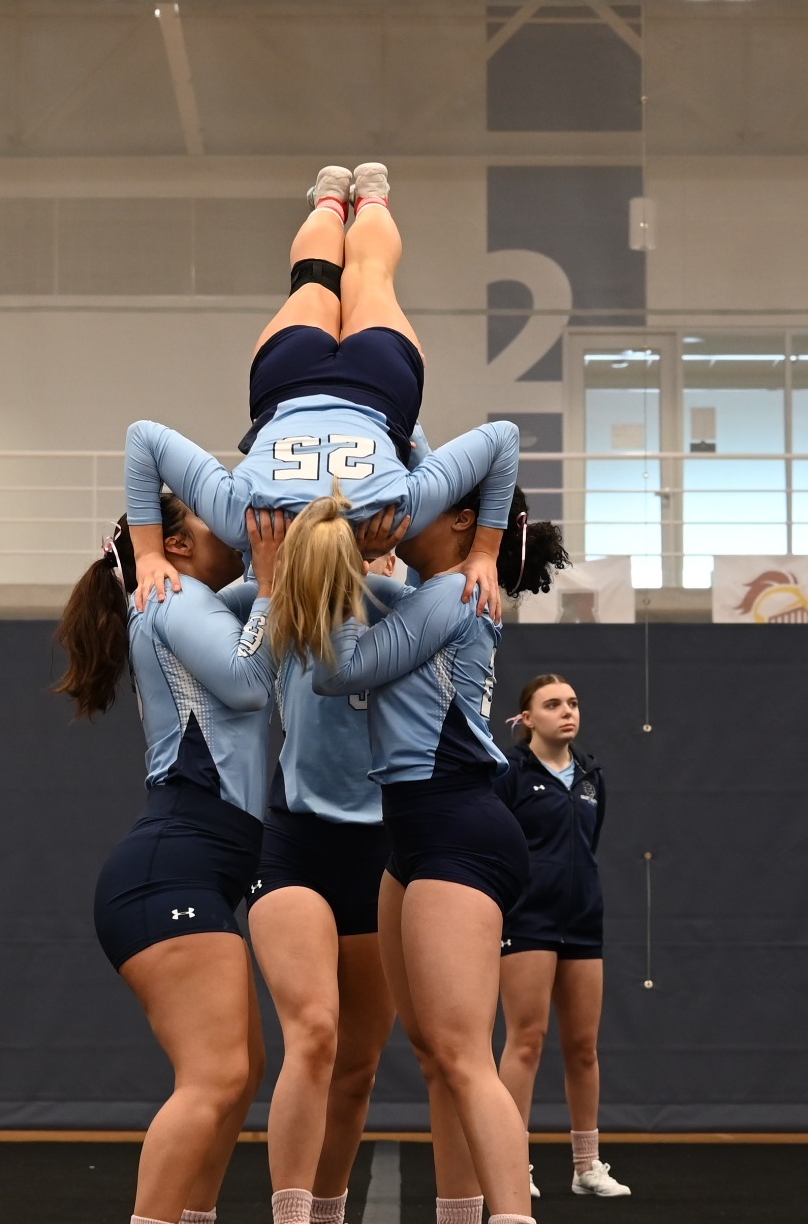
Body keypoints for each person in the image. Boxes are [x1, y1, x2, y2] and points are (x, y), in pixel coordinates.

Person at [306, 485, 568, 1224]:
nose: (403, 513)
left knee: (462, 1056)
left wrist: (343, 546)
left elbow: (339, 668)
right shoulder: (432, 588)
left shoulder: (454, 588)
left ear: (462, 521)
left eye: (421, 504)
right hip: (418, 834)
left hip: (457, 828)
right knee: (437, 1056)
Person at [123, 163, 520, 630]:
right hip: (288, 380)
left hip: (381, 383)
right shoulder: (243, 520)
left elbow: (501, 439)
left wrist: (484, 554)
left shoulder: (396, 513)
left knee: (371, 275)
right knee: (313, 278)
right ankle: (330, 200)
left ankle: (371, 195)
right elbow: (144, 439)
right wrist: (147, 553)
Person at [54, 498, 284, 1224]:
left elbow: (295, 605)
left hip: (193, 869)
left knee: (239, 1075)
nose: (237, 527)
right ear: (177, 545)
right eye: (217, 519)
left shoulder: (204, 603)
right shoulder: (171, 595)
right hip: (171, 870)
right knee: (215, 1075)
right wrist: (274, 580)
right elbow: (251, 680)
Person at [247, 552, 405, 1224]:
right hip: (295, 843)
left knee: (358, 1066)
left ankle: (327, 1212)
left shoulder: (408, 608)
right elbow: (226, 593)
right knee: (313, 1032)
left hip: (381, 851)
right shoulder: (295, 604)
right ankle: (291, 1218)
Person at [493, 674, 628, 1201]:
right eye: (552, 705)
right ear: (527, 718)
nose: (567, 712)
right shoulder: (509, 774)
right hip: (527, 922)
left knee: (583, 1047)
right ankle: (511, 1163)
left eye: (573, 702)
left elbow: (586, 845)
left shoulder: (592, 775)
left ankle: (586, 1165)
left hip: (582, 922)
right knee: (526, 1042)